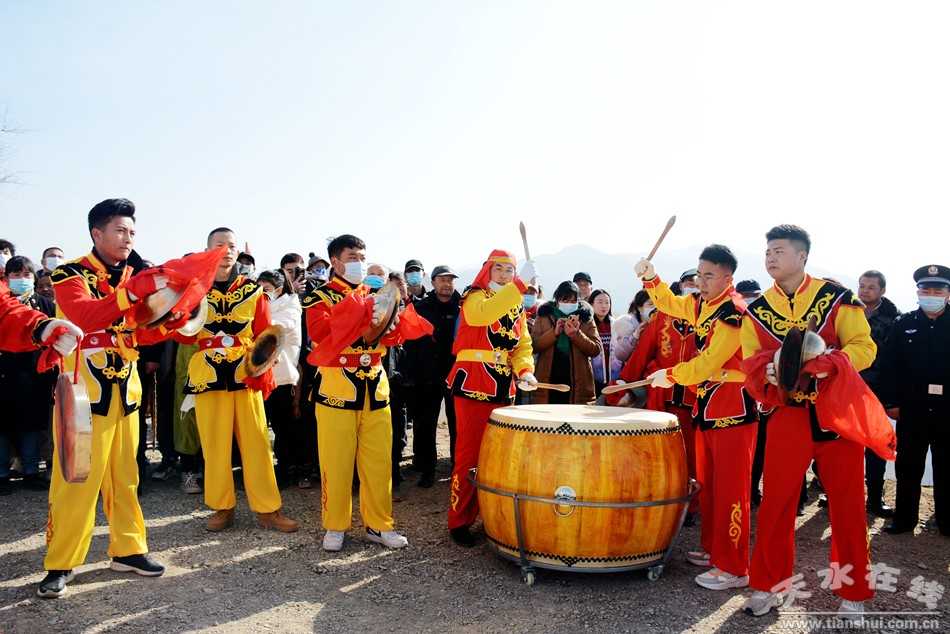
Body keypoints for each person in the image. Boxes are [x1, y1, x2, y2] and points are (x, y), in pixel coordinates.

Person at [40, 198, 183, 598]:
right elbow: (84, 317)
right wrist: (131, 293)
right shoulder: (69, 273)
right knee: (76, 480)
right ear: (97, 232)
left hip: (125, 390)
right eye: (120, 230)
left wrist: (172, 319)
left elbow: (142, 330)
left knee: (126, 477)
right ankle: (61, 561)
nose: (128, 238)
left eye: (132, 232)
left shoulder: (133, 275)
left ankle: (129, 549)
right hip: (84, 392)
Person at [739, 224, 877, 619]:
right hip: (789, 416)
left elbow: (864, 347)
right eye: (768, 250)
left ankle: (853, 593)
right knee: (776, 504)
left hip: (836, 412)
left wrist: (832, 364)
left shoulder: (837, 298)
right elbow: (750, 361)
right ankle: (769, 586)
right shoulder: (757, 311)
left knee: (848, 506)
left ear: (802, 256)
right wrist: (766, 371)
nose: (770, 257)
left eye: (779, 250)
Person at [635, 245, 757, 593]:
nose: (701, 283)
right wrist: (650, 278)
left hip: (733, 407)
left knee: (731, 490)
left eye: (709, 277)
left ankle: (734, 566)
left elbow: (709, 362)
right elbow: (668, 303)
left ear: (728, 278)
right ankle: (713, 549)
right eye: (699, 275)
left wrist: (671, 375)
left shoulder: (733, 313)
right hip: (708, 405)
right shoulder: (702, 304)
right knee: (710, 485)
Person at [303, 234, 428, 552]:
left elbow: (391, 339)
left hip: (375, 388)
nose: (359, 263)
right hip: (337, 389)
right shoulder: (320, 298)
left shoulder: (378, 294)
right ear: (335, 262)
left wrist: (394, 321)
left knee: (379, 463)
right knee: (336, 463)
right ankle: (335, 525)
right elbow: (320, 334)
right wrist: (361, 309)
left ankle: (379, 524)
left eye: (362, 257)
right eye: (352, 257)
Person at [182, 228, 298, 534]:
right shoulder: (194, 289)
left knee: (257, 443)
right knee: (215, 445)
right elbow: (184, 335)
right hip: (208, 374)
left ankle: (268, 509)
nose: (226, 250)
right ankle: (223, 506)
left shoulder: (254, 291)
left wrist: (265, 370)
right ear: (208, 250)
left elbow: (266, 334)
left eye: (231, 245)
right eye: (219, 245)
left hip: (245, 373)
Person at [446, 250, 538, 547]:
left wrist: (525, 370)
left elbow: (522, 345)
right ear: (487, 270)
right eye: (498, 268)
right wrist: (520, 286)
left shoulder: (516, 305)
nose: (504, 274)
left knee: (499, 458)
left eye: (510, 270)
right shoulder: (474, 296)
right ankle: (459, 520)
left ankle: (492, 517)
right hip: (473, 380)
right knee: (469, 455)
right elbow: (483, 315)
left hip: (503, 386)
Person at [612, 284, 699, 522]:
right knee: (660, 454)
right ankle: (660, 503)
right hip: (663, 397)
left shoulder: (707, 318)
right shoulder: (661, 318)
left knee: (692, 456)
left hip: (693, 398)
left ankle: (690, 507)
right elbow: (643, 352)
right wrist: (624, 382)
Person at [878, 264, 950, 536]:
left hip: (947, 410)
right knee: (908, 465)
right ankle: (904, 518)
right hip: (912, 407)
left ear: (948, 294)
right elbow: (889, 364)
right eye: (926, 291)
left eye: (938, 291)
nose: (932, 296)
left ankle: (946, 521)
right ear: (918, 293)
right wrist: (891, 402)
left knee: (947, 467)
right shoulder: (904, 324)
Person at [0, 257, 57, 493]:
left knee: (32, 424)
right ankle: (2, 474)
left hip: (36, 375)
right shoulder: (3, 305)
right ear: (6, 278)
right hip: (4, 373)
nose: (21, 279)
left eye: (26, 275)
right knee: (2, 426)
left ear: (34, 277)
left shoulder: (45, 305)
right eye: (16, 275)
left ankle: (31, 472)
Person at [403, 264, 462, 487]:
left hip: (456, 376)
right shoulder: (421, 307)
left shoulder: (464, 307)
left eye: (450, 280)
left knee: (457, 425)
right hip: (426, 375)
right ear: (433, 282)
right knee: (426, 425)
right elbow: (410, 342)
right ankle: (428, 469)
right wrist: (410, 373)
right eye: (443, 280)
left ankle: (457, 467)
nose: (447, 284)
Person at [856, 270, 900, 518]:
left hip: (877, 392)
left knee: (875, 446)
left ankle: (874, 497)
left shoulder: (894, 320)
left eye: (871, 287)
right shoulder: (848, 312)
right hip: (847, 390)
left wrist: (892, 396)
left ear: (882, 291)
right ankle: (837, 492)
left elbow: (896, 361)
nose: (865, 291)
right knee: (843, 443)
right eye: (862, 286)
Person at [257, 269, 303, 490]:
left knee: (282, 429)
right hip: (258, 376)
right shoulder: (259, 306)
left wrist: (251, 321)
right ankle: (260, 473)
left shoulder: (291, 307)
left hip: (281, 378)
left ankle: (283, 472)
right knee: (257, 428)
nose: (261, 293)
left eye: (265, 289)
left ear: (279, 290)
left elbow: (274, 328)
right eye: (258, 289)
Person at [531, 281, 601, 405]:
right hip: (548, 378)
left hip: (578, 380)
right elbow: (534, 346)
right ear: (557, 300)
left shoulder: (586, 317)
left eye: (573, 302)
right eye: (565, 301)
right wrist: (554, 333)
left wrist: (576, 335)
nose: (569, 304)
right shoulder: (544, 315)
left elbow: (595, 349)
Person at [589, 289, 623, 396]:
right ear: (591, 304)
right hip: (593, 379)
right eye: (600, 302)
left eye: (607, 302)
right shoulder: (587, 325)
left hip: (614, 378)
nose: (604, 306)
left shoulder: (616, 324)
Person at [614, 289, 655, 363]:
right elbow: (620, 355)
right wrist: (635, 336)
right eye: (650, 304)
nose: (655, 308)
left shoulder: (661, 325)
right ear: (639, 308)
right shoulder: (627, 326)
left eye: (657, 304)